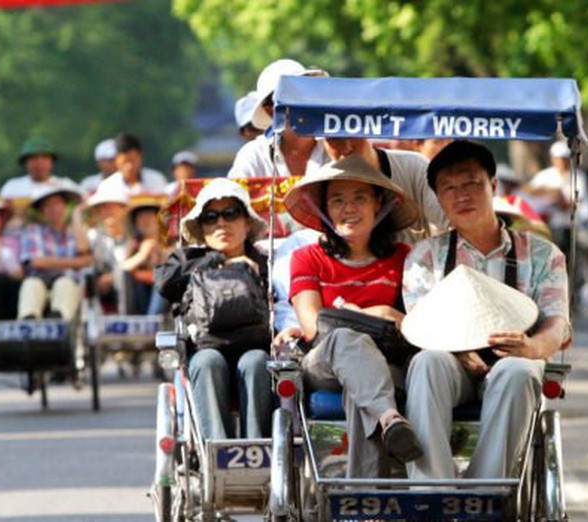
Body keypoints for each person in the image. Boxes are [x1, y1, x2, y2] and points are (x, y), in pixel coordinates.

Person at [401, 140, 571, 480]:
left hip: (515, 358)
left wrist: (532, 348)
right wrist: (459, 351)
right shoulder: (424, 257)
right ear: (438, 198)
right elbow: (420, 327)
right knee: (426, 362)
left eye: (471, 183)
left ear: (493, 186)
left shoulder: (542, 253)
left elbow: (558, 323)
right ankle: (433, 497)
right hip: (451, 363)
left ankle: (487, 497)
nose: (461, 195)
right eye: (449, 188)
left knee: (518, 371)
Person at [275, 155, 424, 478]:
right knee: (346, 339)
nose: (348, 208)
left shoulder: (403, 258)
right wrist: (380, 314)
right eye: (338, 200)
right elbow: (313, 324)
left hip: (385, 367)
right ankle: (389, 419)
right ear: (325, 210)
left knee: (360, 389)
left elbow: (416, 322)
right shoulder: (307, 257)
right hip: (325, 359)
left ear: (378, 205)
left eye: (359, 198)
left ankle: (366, 500)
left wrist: (367, 314)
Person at [154, 178, 273, 440]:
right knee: (208, 363)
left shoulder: (267, 263)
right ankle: (219, 457)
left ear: (246, 222)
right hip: (205, 350)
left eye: (230, 213)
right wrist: (217, 259)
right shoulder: (187, 260)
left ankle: (258, 453)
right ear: (202, 226)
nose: (221, 223)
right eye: (211, 217)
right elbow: (164, 283)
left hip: (256, 349)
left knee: (257, 363)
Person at [322, 137, 449, 238]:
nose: (347, 147)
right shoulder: (319, 181)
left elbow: (447, 224)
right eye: (335, 139)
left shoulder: (413, 166)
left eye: (353, 136)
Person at [228, 59, 330, 179]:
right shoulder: (255, 157)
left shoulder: (336, 147)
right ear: (270, 110)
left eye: (305, 91)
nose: (302, 102)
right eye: (289, 96)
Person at [17, 180, 92, 321]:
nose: (54, 209)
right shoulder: (33, 230)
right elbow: (36, 262)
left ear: (65, 206)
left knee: (65, 283)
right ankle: (28, 323)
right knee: (31, 284)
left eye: (57, 203)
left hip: (68, 283)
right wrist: (76, 262)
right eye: (48, 206)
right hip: (40, 281)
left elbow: (86, 256)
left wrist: (76, 216)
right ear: (41, 211)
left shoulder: (75, 232)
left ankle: (58, 320)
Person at [527, 140, 588, 251]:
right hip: (549, 225)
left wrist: (561, 200)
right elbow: (529, 191)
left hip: (572, 226)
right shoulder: (544, 176)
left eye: (564, 159)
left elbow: (577, 201)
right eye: (558, 159)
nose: (561, 162)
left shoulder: (578, 176)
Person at [85, 175, 131, 312]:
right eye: (101, 208)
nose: (105, 212)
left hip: (128, 287)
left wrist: (113, 276)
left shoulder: (134, 236)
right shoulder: (93, 235)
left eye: (110, 207)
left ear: (123, 209)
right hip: (100, 288)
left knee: (123, 277)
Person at [123, 195, 167, 316]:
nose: (145, 221)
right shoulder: (133, 244)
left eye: (149, 216)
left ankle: (152, 320)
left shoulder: (169, 243)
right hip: (138, 296)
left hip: (162, 297)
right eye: (141, 217)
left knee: (162, 279)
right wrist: (142, 254)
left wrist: (160, 253)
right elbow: (123, 269)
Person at [0, 138, 74, 201]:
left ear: (52, 162)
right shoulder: (12, 188)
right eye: (34, 158)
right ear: (26, 162)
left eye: (44, 157)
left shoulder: (65, 186)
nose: (39, 163)